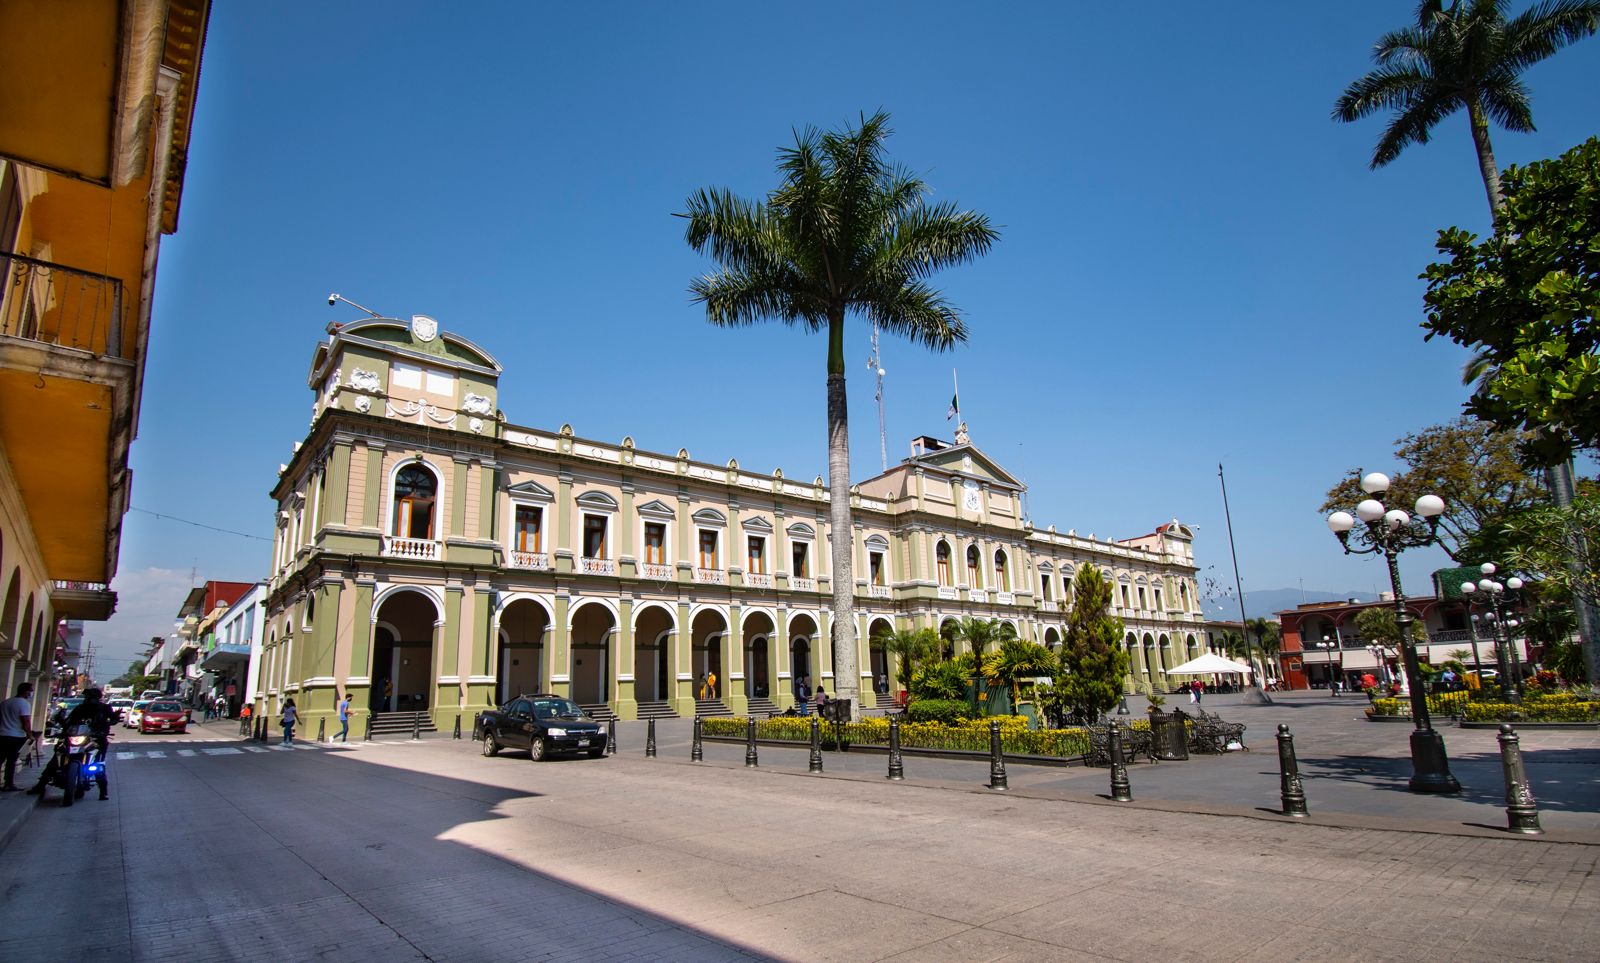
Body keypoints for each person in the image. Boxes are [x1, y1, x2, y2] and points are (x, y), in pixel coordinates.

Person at [29, 687, 115, 800]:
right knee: (56, 758)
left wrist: (108, 725)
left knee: (98, 764)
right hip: (78, 737)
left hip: (96, 739)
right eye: (88, 697)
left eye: (92, 697)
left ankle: (103, 791)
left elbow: (113, 719)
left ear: (98, 698)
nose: (90, 699)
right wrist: (61, 725)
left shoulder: (105, 708)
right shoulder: (80, 708)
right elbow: (69, 722)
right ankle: (41, 785)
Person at [1, 682, 38, 792]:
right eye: (31, 690)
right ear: (25, 691)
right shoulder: (23, 704)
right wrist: (30, 735)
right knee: (11, 760)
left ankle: (7, 783)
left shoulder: (5, 702)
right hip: (16, 736)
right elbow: (25, 721)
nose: (32, 693)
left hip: (2, 734)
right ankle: (8, 784)